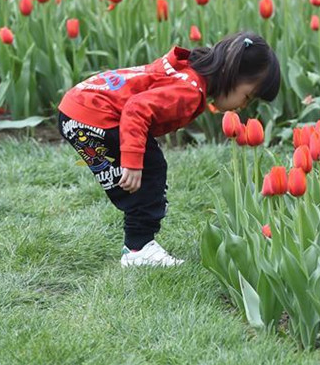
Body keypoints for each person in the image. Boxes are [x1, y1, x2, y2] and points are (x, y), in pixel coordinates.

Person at [57, 31, 281, 267]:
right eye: (247, 97)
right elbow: (136, 109)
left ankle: (139, 245)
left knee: (149, 170)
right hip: (93, 115)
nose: (244, 105)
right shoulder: (189, 91)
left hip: (82, 106)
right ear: (231, 74)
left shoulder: (190, 72)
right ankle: (138, 249)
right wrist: (132, 161)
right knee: (148, 173)